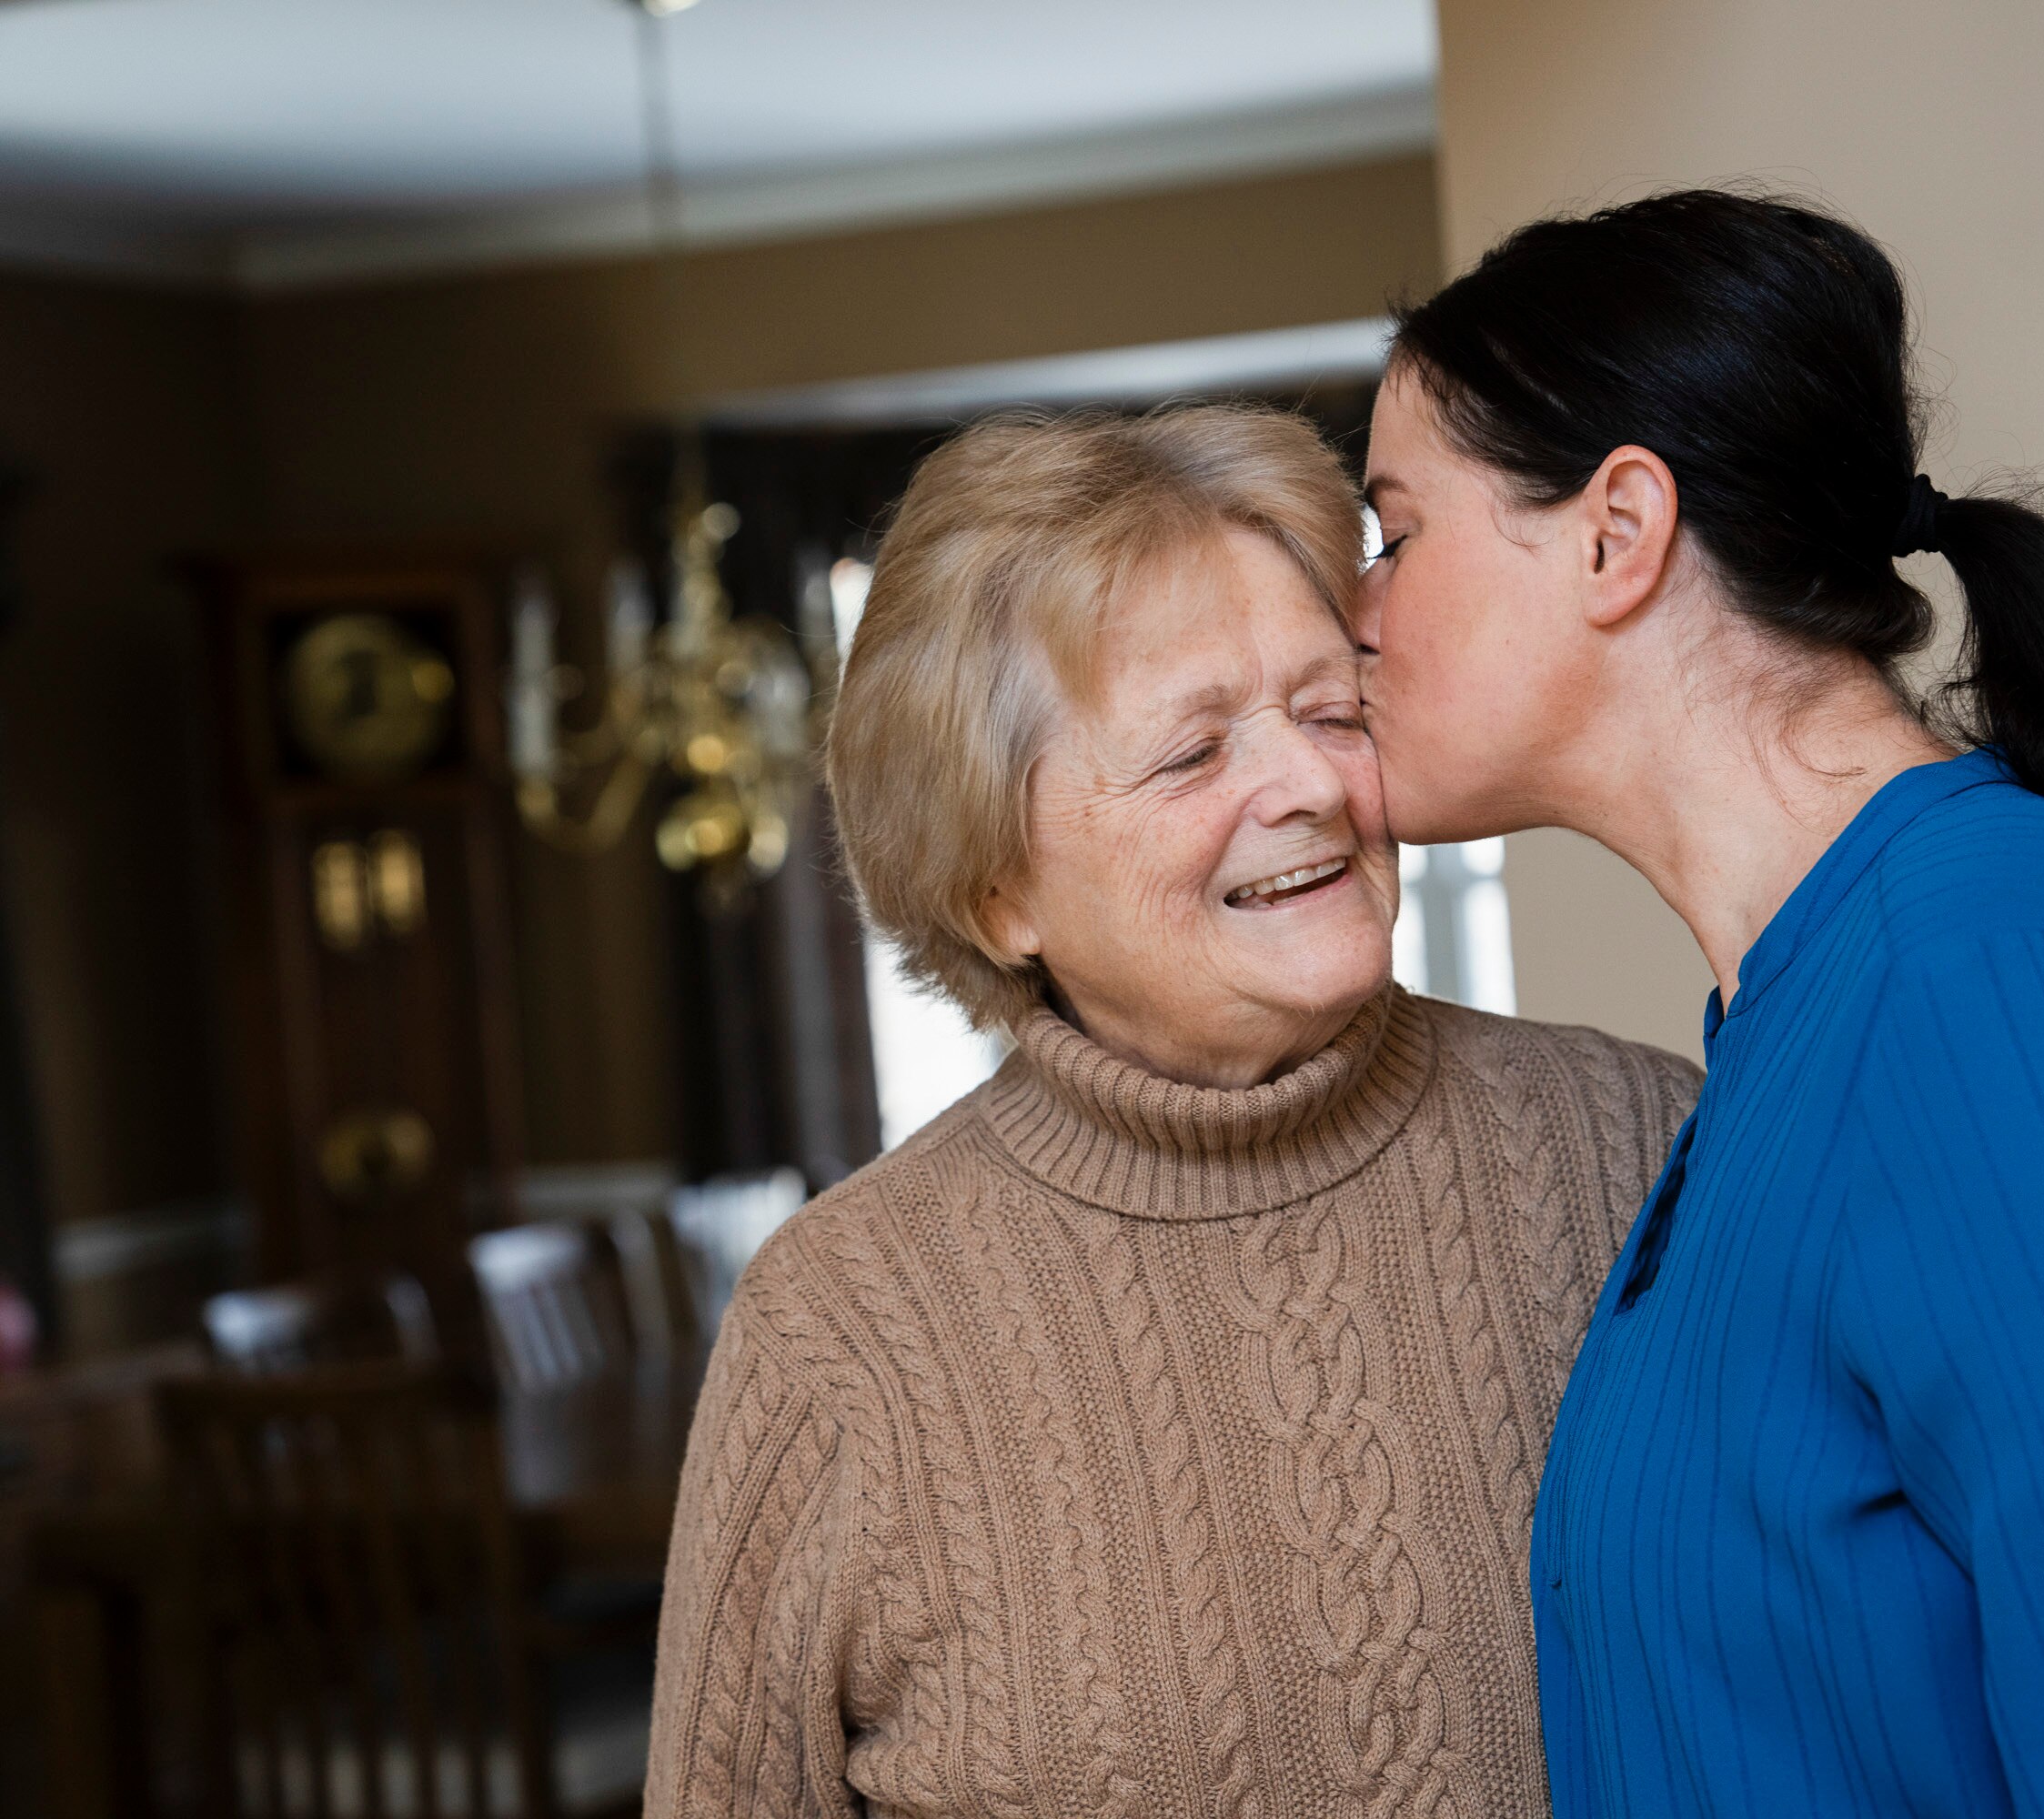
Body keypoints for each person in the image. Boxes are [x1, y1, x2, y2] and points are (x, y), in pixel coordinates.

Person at [1352, 191, 2044, 1816]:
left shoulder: (2005, 971)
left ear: (1615, 530)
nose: (1355, 613)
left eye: (1395, 533)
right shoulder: (1795, 1024)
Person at [644, 405, 1699, 1819]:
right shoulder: (843, 1332)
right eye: (1193, 753)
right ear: (996, 890)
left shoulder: (1634, 1143)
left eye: (1334, 712)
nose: (1312, 784)